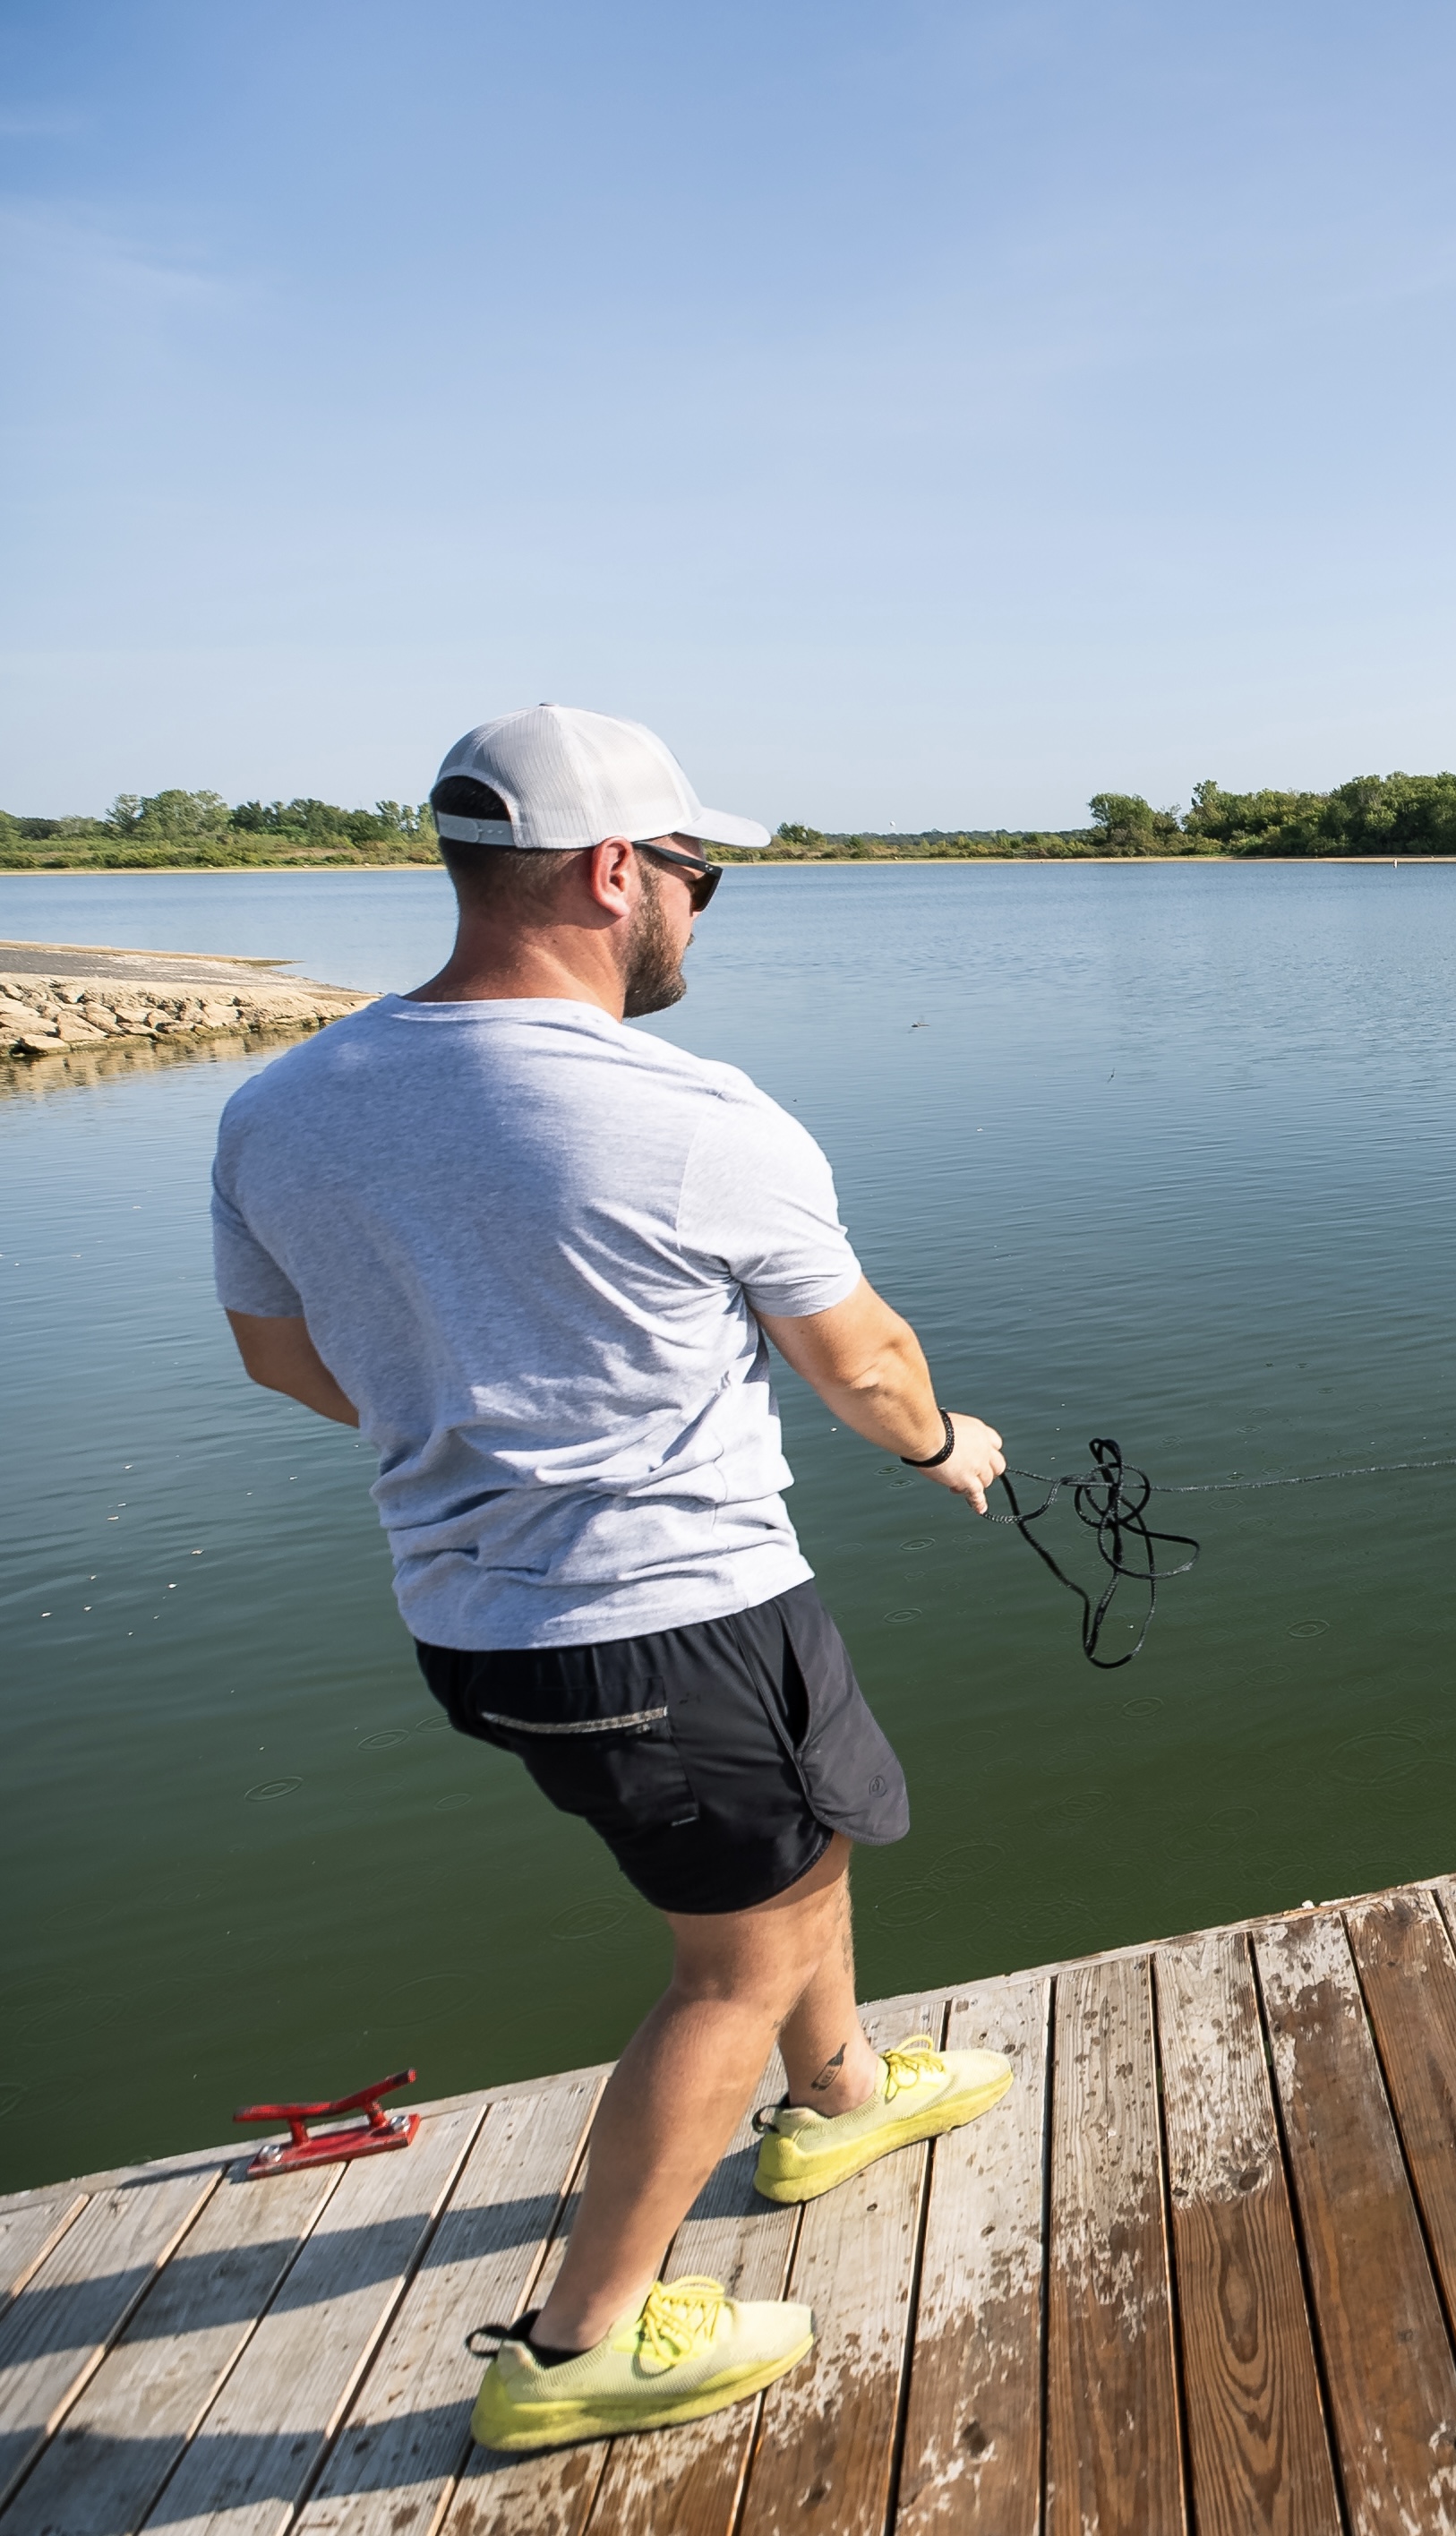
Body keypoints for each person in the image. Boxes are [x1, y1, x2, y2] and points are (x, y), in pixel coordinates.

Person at [211, 705, 1014, 2455]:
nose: (702, 915)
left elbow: (285, 1362)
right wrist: (942, 1444)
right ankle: (574, 2354)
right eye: (699, 878)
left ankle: (842, 2096)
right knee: (734, 1956)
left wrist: (475, 1419)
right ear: (610, 871)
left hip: (471, 1625)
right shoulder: (690, 1117)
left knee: (795, 1857)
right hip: (669, 1619)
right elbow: (864, 1360)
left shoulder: (284, 1108)